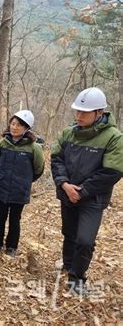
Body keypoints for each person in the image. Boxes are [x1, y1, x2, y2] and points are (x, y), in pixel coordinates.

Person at [51, 87, 122, 296]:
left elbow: (112, 171)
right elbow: (56, 159)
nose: (79, 115)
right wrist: (64, 184)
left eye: (84, 112)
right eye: (77, 111)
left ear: (99, 113)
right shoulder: (68, 132)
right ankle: (68, 264)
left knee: (85, 240)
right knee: (69, 233)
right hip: (67, 193)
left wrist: (82, 191)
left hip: (93, 198)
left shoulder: (113, 138)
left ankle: (77, 277)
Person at [0, 110, 45, 256]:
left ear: (27, 128)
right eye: (13, 124)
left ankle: (11, 247)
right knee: (0, 216)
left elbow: (39, 169)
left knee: (15, 219)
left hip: (20, 190)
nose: (14, 127)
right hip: (2, 188)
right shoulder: (3, 143)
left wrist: (25, 181)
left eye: (19, 125)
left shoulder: (34, 147)